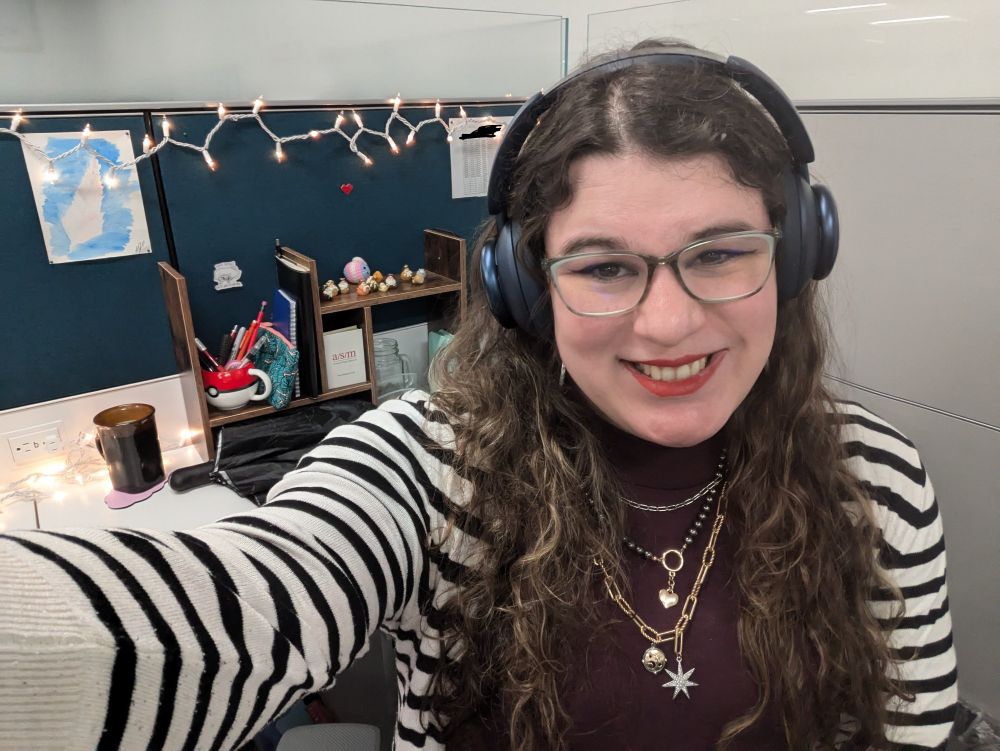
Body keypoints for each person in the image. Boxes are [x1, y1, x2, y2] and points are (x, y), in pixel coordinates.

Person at [0, 40, 957, 751]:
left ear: (792, 259)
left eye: (718, 252)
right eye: (605, 267)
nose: (668, 323)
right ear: (526, 289)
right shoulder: (426, 465)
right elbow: (242, 610)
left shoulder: (874, 482)